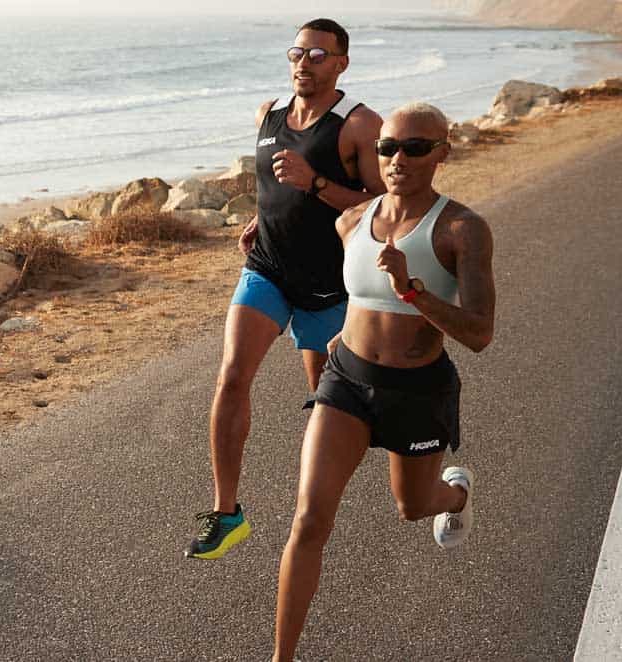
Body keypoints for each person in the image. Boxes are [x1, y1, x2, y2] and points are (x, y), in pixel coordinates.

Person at [270, 101, 496, 661]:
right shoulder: (350, 220)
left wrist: (414, 291)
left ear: (443, 151)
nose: (399, 158)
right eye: (388, 147)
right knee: (309, 518)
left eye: (416, 147)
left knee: (413, 508)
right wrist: (263, 245)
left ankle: (456, 492)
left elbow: (480, 332)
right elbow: (347, 289)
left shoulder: (462, 229)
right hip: (346, 380)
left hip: (418, 390)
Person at [188, 17, 386, 560]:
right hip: (267, 269)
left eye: (318, 55)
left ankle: (316, 514)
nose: (304, 63)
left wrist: (316, 184)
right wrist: (262, 217)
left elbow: (381, 205)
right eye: (298, 53)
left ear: (342, 63)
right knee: (232, 376)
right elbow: (270, 185)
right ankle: (228, 513)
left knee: (331, 410)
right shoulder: (268, 114)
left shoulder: (359, 124)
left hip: (329, 287)